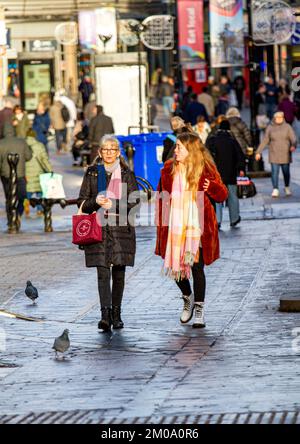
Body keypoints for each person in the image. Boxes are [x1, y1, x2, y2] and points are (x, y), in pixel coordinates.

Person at [155, 132, 228, 328]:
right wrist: (162, 227)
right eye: (176, 146)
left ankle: (199, 309)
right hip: (175, 226)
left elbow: (222, 194)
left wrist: (211, 186)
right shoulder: (168, 169)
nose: (175, 150)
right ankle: (187, 297)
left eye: (179, 147)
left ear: (191, 149)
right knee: (177, 268)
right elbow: (161, 197)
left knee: (197, 268)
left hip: (198, 227)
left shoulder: (205, 168)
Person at [78, 135, 139, 331]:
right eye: (105, 150)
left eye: (113, 150)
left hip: (121, 229)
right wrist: (96, 201)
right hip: (99, 229)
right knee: (103, 273)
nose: (109, 153)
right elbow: (82, 203)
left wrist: (115, 204)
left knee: (119, 273)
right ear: (100, 153)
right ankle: (105, 315)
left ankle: (117, 314)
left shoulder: (127, 174)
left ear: (118, 153)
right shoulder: (92, 173)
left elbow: (134, 201)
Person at [206, 120, 246, 229]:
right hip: (231, 174)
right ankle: (234, 218)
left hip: (216, 175)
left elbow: (207, 156)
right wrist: (241, 169)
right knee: (232, 196)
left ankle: (217, 220)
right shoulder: (232, 141)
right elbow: (240, 156)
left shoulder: (212, 141)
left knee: (217, 197)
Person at [255, 111, 297, 197]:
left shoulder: (287, 127)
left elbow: (294, 138)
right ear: (274, 118)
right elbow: (265, 140)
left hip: (285, 154)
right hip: (274, 153)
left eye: (280, 117)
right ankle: (275, 189)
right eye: (277, 117)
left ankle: (286, 187)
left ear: (283, 118)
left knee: (286, 172)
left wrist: (293, 145)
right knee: (274, 172)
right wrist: (258, 152)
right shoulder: (270, 127)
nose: (279, 119)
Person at [0, 124, 32, 229]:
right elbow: (28, 156)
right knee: (22, 197)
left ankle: (10, 220)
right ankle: (18, 213)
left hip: (5, 175)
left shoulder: (1, 143)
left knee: (9, 197)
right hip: (20, 174)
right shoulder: (22, 142)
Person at [25, 129, 53, 215]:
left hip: (26, 173)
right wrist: (50, 170)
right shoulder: (40, 146)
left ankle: (26, 206)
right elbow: (44, 160)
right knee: (40, 192)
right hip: (39, 173)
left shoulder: (22, 145)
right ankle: (39, 209)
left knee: (27, 191)